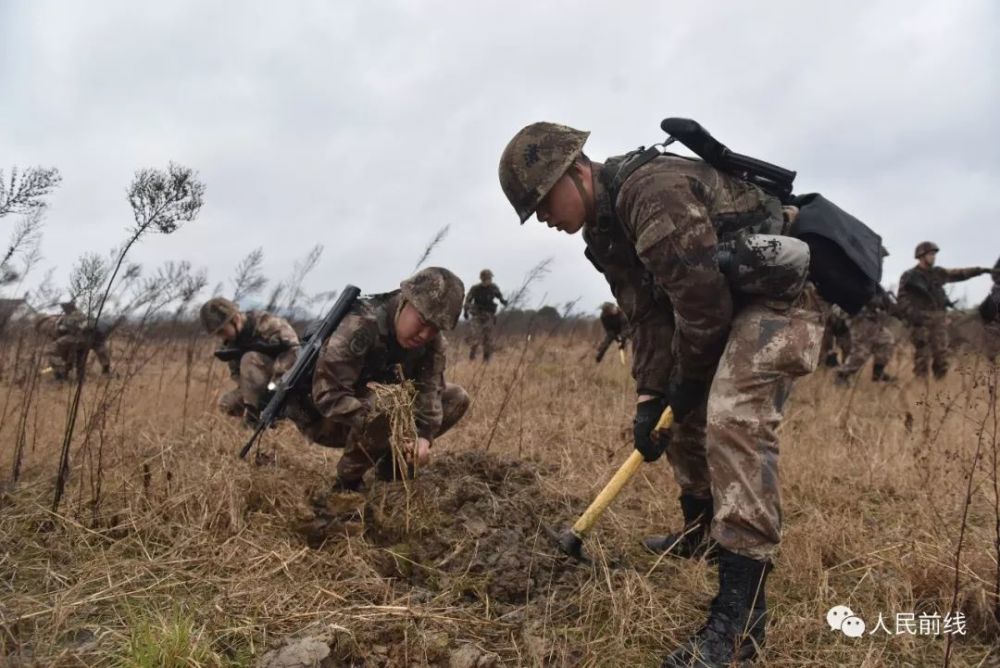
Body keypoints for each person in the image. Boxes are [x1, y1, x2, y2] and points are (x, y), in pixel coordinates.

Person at [499, 122, 825, 666]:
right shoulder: (602, 235)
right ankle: (700, 529)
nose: (545, 219)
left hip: (780, 298)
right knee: (671, 412)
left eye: (544, 202)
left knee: (731, 416)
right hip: (721, 301)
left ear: (579, 170)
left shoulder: (653, 194)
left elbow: (702, 309)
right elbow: (648, 316)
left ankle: (741, 620)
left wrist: (686, 385)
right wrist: (652, 398)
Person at [287, 267, 470, 491]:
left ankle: (391, 471)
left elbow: (430, 392)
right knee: (387, 404)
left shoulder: (434, 344)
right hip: (326, 420)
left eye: (435, 328)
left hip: (381, 414)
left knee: (456, 397)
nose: (425, 335)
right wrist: (382, 420)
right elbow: (328, 395)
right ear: (405, 301)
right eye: (422, 322)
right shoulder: (360, 326)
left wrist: (423, 437)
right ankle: (347, 484)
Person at [897, 242, 993, 378]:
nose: (933, 257)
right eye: (930, 254)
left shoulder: (938, 273)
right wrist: (912, 315)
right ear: (920, 256)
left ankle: (939, 386)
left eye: (934, 254)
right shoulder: (909, 276)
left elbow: (959, 273)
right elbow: (902, 299)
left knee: (941, 355)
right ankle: (920, 389)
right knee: (922, 356)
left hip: (938, 318)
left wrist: (979, 270)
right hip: (921, 319)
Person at [200, 297, 299, 424]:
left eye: (222, 331)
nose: (222, 337)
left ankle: (255, 419)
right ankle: (260, 418)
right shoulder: (231, 344)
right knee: (226, 403)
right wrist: (252, 392)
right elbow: (237, 374)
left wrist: (275, 384)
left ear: (235, 319)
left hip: (286, 381)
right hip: (261, 387)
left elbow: (295, 352)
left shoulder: (268, 324)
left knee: (249, 359)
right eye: (218, 334)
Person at [835, 291, 897, 383]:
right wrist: (871, 300)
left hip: (872, 319)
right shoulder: (856, 280)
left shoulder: (872, 281)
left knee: (886, 340)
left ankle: (878, 372)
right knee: (861, 351)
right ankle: (842, 375)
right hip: (858, 318)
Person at [45, 302, 112, 380]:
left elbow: (67, 327)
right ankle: (80, 379)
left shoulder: (74, 316)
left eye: (64, 307)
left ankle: (62, 370)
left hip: (76, 339)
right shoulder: (81, 315)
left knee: (50, 350)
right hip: (85, 341)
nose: (63, 309)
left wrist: (61, 326)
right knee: (80, 360)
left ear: (68, 308)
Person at [463, 268, 507, 361]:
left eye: (490, 278)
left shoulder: (493, 288)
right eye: (487, 278)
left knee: (488, 339)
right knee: (475, 336)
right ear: (482, 279)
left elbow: (500, 296)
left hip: (488, 316)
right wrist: (466, 312)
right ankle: (472, 357)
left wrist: (503, 301)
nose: (489, 280)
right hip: (477, 316)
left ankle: (486, 361)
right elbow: (467, 301)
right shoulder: (475, 289)